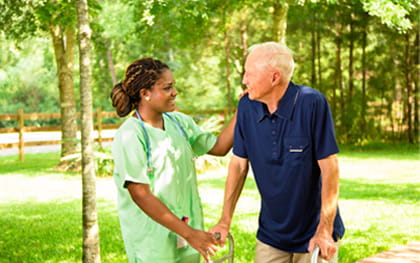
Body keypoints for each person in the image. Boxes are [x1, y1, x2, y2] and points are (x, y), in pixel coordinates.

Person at [210, 42, 345, 263]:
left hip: (315, 234)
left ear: (274, 78)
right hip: (271, 236)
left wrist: (325, 229)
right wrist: (225, 220)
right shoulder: (246, 107)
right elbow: (238, 165)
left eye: (249, 73)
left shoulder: (311, 103)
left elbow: (330, 168)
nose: (244, 80)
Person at [110, 57, 236, 263]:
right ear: (145, 94)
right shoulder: (130, 135)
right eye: (167, 88)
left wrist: (244, 106)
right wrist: (189, 233)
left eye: (173, 86)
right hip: (153, 241)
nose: (174, 92)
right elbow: (140, 194)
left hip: (189, 234)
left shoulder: (179, 122)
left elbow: (220, 147)